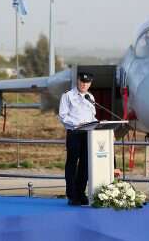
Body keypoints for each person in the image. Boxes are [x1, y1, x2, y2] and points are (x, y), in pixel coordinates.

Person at [58, 72, 97, 206]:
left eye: (87, 82)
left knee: (85, 165)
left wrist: (99, 124)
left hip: (87, 134)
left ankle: (81, 193)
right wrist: (76, 124)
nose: (84, 84)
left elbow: (92, 117)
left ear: (90, 83)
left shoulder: (90, 97)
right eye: (82, 82)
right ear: (77, 81)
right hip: (74, 133)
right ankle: (72, 195)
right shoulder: (67, 96)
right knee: (72, 164)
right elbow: (63, 116)